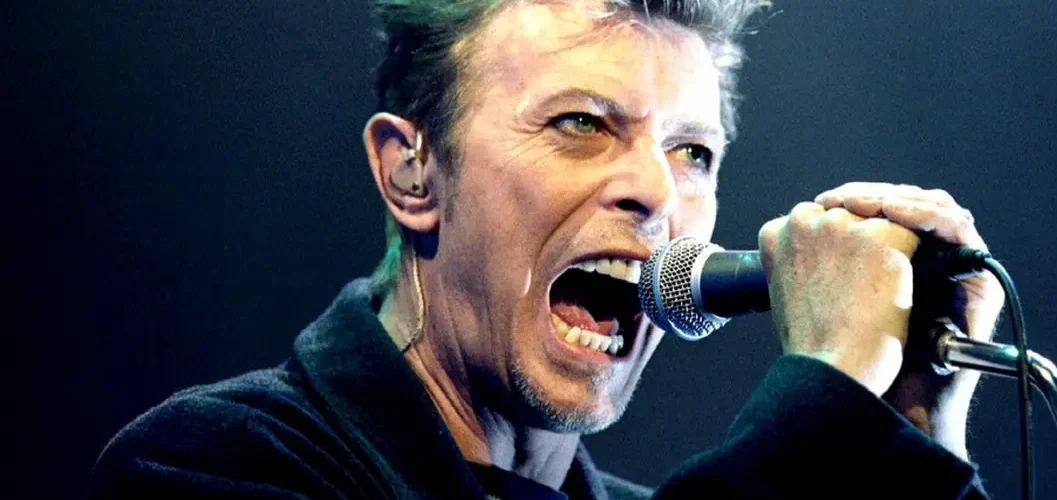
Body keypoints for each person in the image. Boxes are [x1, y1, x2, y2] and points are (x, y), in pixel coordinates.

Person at [89, 1, 1005, 498]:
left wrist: (913, 437)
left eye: (693, 152)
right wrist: (827, 394)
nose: (657, 192)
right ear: (412, 173)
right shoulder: (208, 465)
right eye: (581, 123)